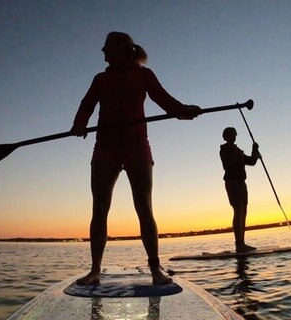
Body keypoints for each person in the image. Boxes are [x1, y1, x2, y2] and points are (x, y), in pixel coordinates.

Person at [71, 31, 201, 285]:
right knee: (99, 209)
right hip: (105, 148)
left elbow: (164, 100)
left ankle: (155, 269)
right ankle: (95, 269)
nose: (102, 52)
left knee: (144, 207)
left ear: (123, 50)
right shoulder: (100, 79)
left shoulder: (143, 75)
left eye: (107, 47)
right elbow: (87, 105)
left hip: (137, 147)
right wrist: (79, 123)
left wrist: (184, 111)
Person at [219, 127, 260, 252]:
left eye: (234, 135)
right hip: (232, 183)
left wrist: (255, 150)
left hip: (241, 183)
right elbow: (228, 164)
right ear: (226, 137)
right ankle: (239, 244)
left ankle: (242, 243)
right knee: (238, 211)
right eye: (231, 135)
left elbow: (251, 162)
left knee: (244, 212)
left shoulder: (238, 150)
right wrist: (241, 157)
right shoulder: (225, 150)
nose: (233, 137)